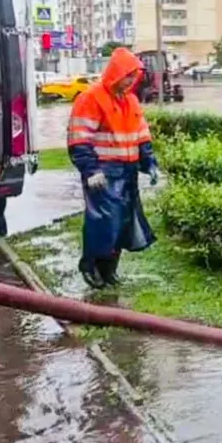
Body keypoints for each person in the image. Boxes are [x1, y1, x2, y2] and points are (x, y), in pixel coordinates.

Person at [67, 47, 159, 288]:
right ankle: (90, 266)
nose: (131, 81)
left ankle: (109, 270)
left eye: (134, 76)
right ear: (117, 73)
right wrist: (91, 170)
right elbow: (79, 138)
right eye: (128, 75)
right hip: (103, 173)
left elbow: (141, 135)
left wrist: (149, 162)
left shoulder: (130, 100)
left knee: (123, 223)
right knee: (104, 221)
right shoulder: (91, 98)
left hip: (127, 171)